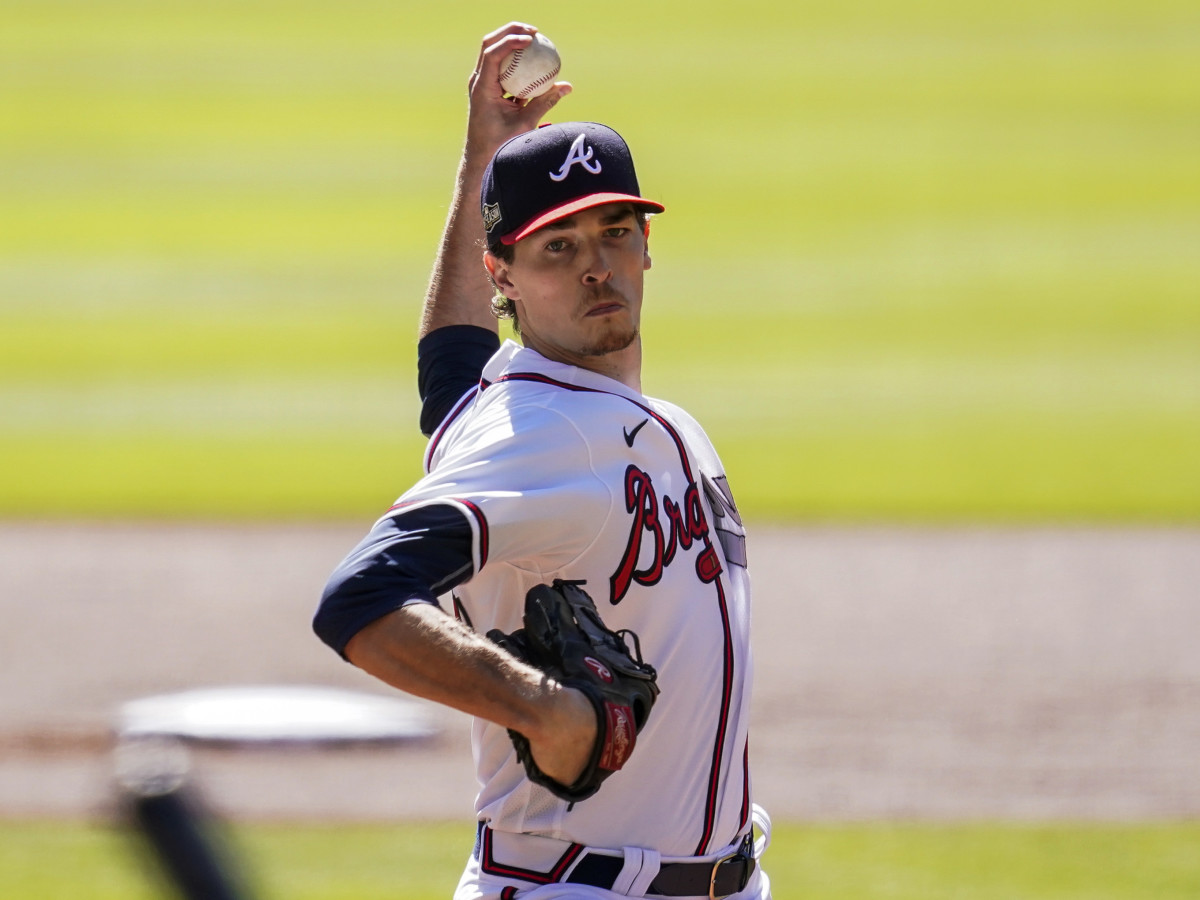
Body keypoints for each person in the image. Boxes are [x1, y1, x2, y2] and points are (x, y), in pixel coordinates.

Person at [313, 22, 771, 900]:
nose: (597, 266)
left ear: (648, 243)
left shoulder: (520, 409)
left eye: (613, 232)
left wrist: (487, 152)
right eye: (557, 248)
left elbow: (449, 373)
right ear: (506, 276)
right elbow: (359, 598)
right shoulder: (544, 433)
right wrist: (544, 709)